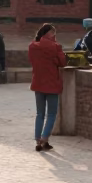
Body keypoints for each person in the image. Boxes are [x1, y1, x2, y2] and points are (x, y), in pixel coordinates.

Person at [28, 23, 66, 152]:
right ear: (50, 34)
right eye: (53, 33)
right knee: (51, 114)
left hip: (38, 83)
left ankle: (38, 141)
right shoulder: (55, 47)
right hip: (52, 84)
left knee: (40, 114)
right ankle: (45, 138)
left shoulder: (32, 46)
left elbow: (33, 61)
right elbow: (63, 62)